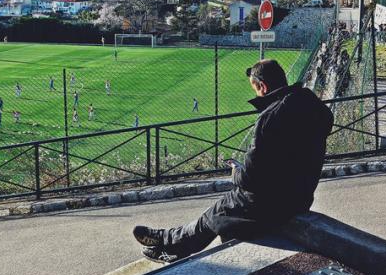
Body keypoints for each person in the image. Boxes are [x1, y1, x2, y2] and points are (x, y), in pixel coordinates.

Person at [132, 59, 334, 263]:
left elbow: (249, 179)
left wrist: (236, 172)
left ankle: (169, 245)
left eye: (255, 89)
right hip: (300, 197)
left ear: (262, 87)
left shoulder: (270, 117)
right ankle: (169, 241)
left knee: (213, 215)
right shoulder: (312, 104)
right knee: (219, 212)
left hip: (271, 204)